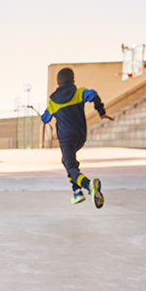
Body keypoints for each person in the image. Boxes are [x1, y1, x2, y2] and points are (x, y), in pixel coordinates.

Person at [41, 67, 113, 208]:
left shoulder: (53, 102)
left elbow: (45, 119)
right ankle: (76, 191)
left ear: (58, 84)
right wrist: (101, 111)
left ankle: (88, 185)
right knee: (67, 161)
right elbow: (93, 94)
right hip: (80, 137)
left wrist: (47, 113)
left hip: (66, 139)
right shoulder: (79, 92)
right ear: (73, 81)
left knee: (70, 166)